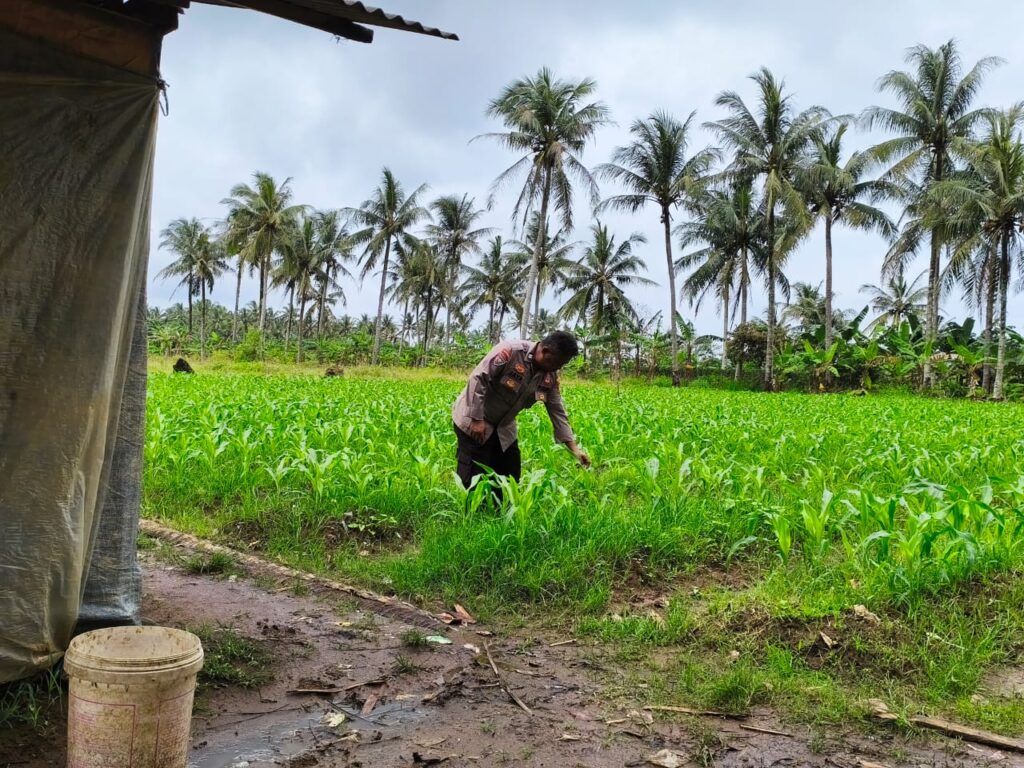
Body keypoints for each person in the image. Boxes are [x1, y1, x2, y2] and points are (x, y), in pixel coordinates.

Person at [452, 330, 591, 493]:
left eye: (562, 365)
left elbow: (557, 410)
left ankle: (501, 512)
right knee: (475, 472)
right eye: (556, 362)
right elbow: (478, 378)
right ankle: (472, 514)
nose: (557, 368)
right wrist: (476, 419)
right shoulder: (510, 351)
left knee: (510, 471)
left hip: (504, 426)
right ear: (545, 350)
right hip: (474, 417)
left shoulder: (550, 376)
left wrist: (574, 448)